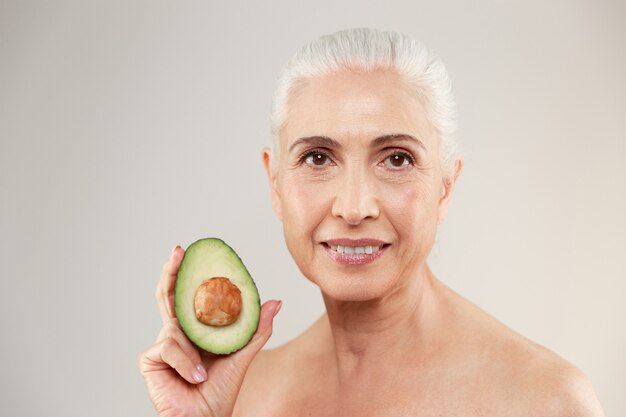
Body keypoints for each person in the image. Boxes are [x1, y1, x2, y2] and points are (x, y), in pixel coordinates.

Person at [138, 28, 605, 416]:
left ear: (446, 185)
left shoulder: (546, 401)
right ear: (275, 182)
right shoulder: (243, 395)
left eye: (397, 159)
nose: (354, 206)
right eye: (318, 157)